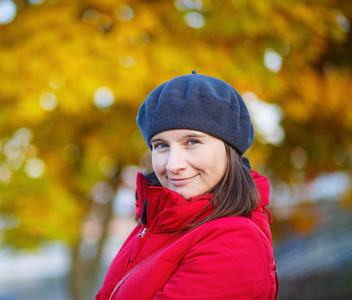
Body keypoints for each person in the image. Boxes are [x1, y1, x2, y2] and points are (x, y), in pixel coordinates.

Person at [96, 71, 278, 300]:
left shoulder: (236, 241)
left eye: (192, 142)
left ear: (229, 150)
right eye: (161, 145)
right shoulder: (154, 223)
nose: (173, 165)